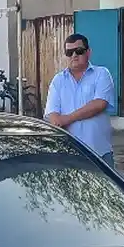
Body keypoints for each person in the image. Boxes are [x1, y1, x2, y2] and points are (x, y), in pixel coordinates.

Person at [44, 32, 115, 167]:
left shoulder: (102, 74)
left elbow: (99, 104)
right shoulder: (58, 81)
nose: (74, 55)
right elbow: (53, 115)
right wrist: (58, 120)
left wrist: (67, 119)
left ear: (88, 52)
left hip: (99, 153)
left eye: (79, 51)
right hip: (69, 155)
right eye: (69, 52)